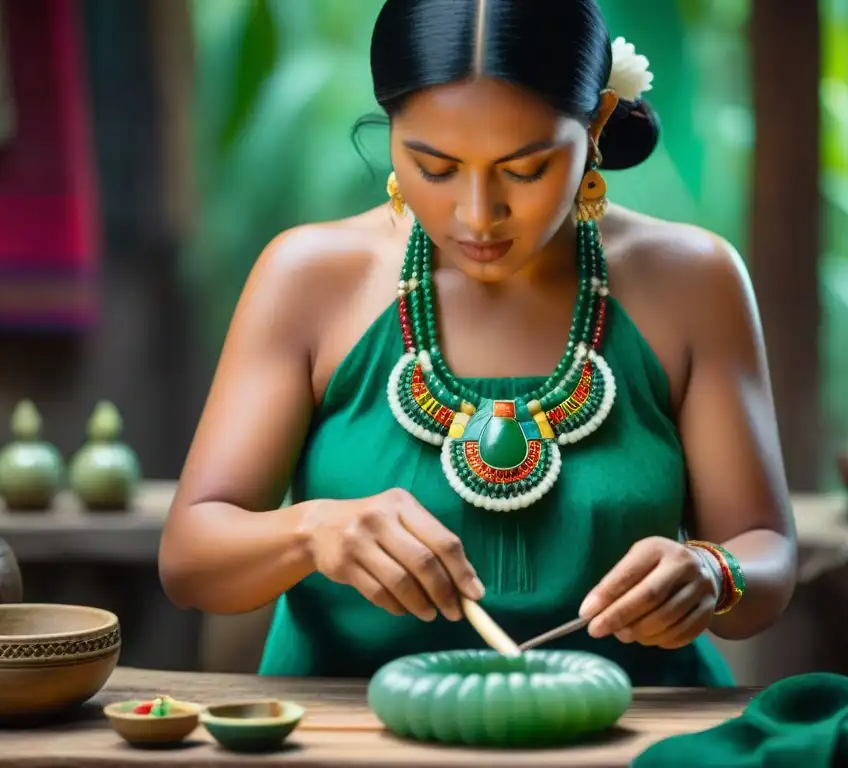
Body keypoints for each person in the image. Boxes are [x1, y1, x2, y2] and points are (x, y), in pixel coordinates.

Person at [158, 0, 797, 686]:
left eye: (524, 170)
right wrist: (312, 532)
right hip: (347, 738)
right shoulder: (311, 279)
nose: (477, 214)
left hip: (636, 733)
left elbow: (765, 552)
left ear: (597, 125)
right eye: (434, 167)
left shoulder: (693, 281)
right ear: (394, 133)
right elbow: (192, 559)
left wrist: (714, 572)